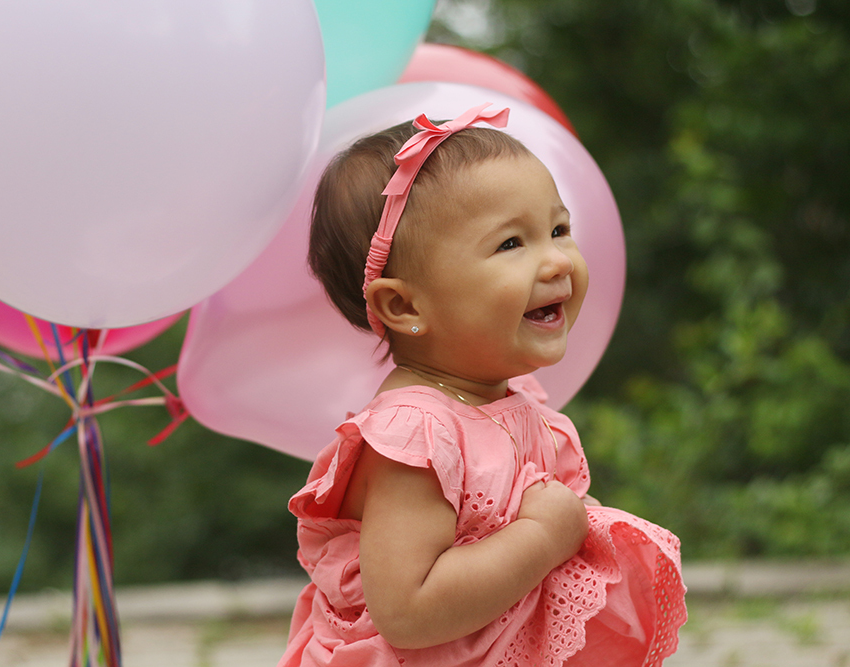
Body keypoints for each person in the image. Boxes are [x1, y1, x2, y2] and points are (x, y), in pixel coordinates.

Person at [278, 104, 687, 667]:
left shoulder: (517, 404)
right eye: (511, 245)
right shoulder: (414, 436)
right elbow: (409, 610)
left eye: (558, 229)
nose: (556, 262)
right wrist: (543, 535)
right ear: (404, 304)